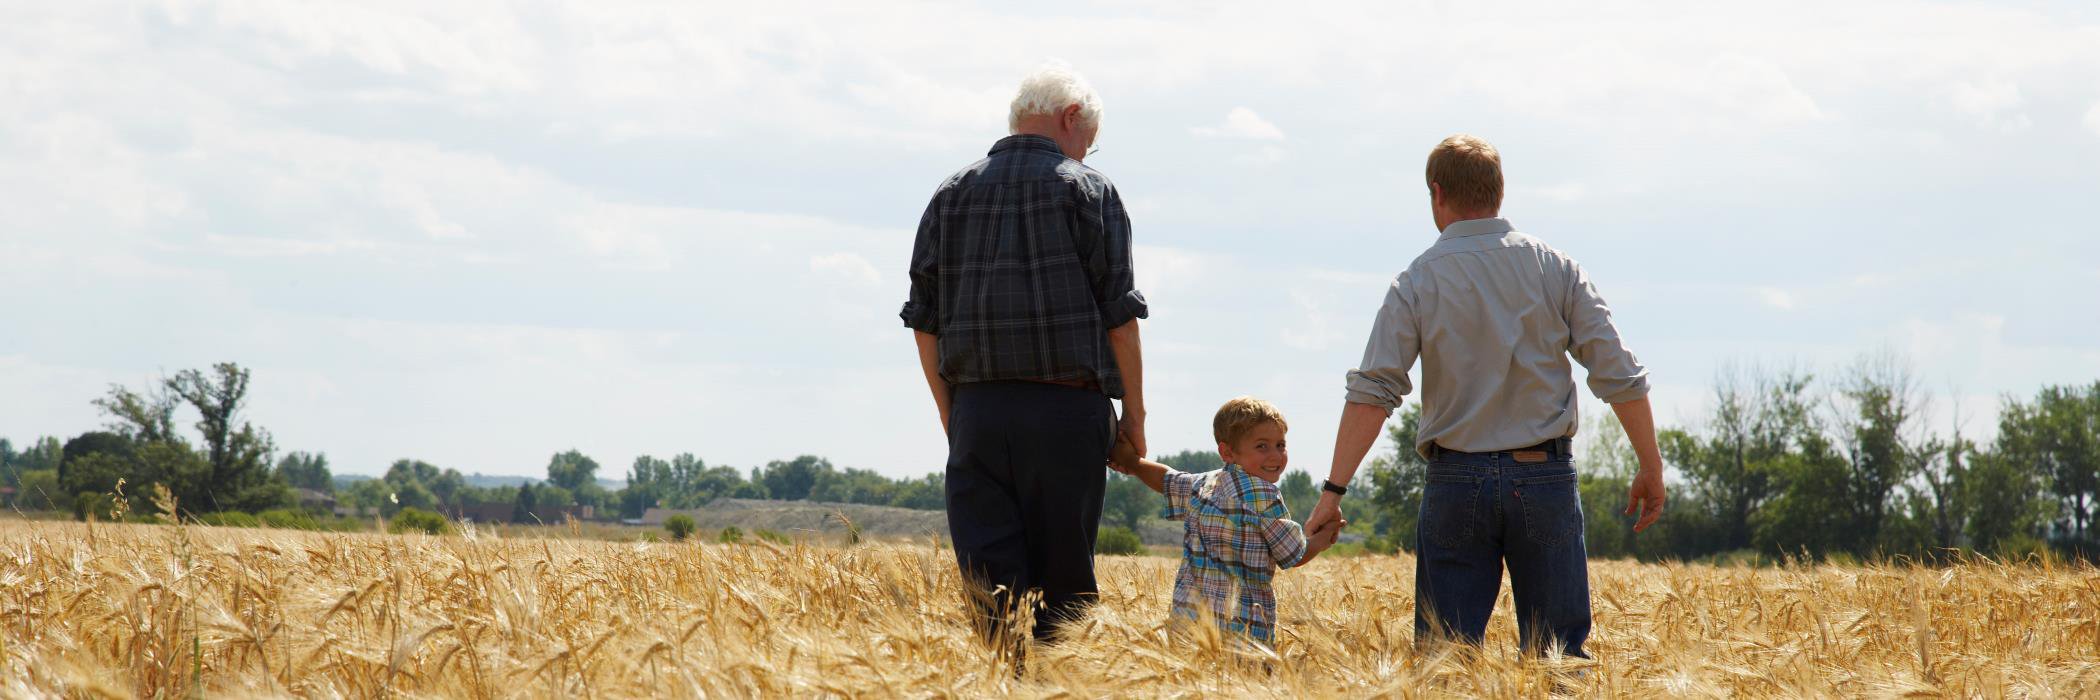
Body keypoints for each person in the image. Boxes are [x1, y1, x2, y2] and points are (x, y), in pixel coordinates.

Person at [1303, 134, 1667, 659]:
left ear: (1437, 193)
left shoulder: (1416, 279)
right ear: (1499, 191)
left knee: (1445, 667)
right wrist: (1650, 463)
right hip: (1544, 476)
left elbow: (1373, 393)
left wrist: (1333, 491)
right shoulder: (1554, 267)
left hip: (1455, 483)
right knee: (1557, 662)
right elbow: (1620, 374)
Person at [900, 62, 1149, 660]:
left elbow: (924, 322)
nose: (1087, 154)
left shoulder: (950, 192)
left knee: (990, 592)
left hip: (978, 414)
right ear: (1069, 119)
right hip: (1066, 411)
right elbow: (1119, 317)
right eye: (1088, 141)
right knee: (1065, 590)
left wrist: (952, 414)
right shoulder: (1090, 190)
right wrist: (1133, 417)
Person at [1108, 396, 1342, 645]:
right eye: (1262, 446)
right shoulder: (1265, 496)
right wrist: (1321, 540)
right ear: (1227, 451)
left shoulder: (1203, 484)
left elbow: (1167, 480)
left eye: (1280, 445)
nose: (1275, 455)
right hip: (1243, 628)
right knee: (1245, 682)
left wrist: (1132, 461)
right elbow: (1293, 554)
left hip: (1189, 621)